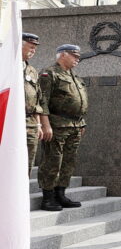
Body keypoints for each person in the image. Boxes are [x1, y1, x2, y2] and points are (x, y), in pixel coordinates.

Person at [38, 44, 88, 212]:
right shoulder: (49, 73)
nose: (77, 59)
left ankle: (61, 193)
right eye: (74, 55)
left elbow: (79, 101)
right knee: (53, 160)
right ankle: (48, 196)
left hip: (75, 125)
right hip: (57, 124)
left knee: (68, 161)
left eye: (78, 56)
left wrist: (82, 122)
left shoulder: (74, 76)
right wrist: (45, 125)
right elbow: (42, 101)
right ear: (62, 55)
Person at [22, 33, 45, 176]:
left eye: (35, 48)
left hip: (30, 124)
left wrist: (38, 125)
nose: (33, 51)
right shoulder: (5, 66)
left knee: (27, 164)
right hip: (9, 122)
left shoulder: (32, 71)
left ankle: (21, 196)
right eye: (31, 47)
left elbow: (37, 100)